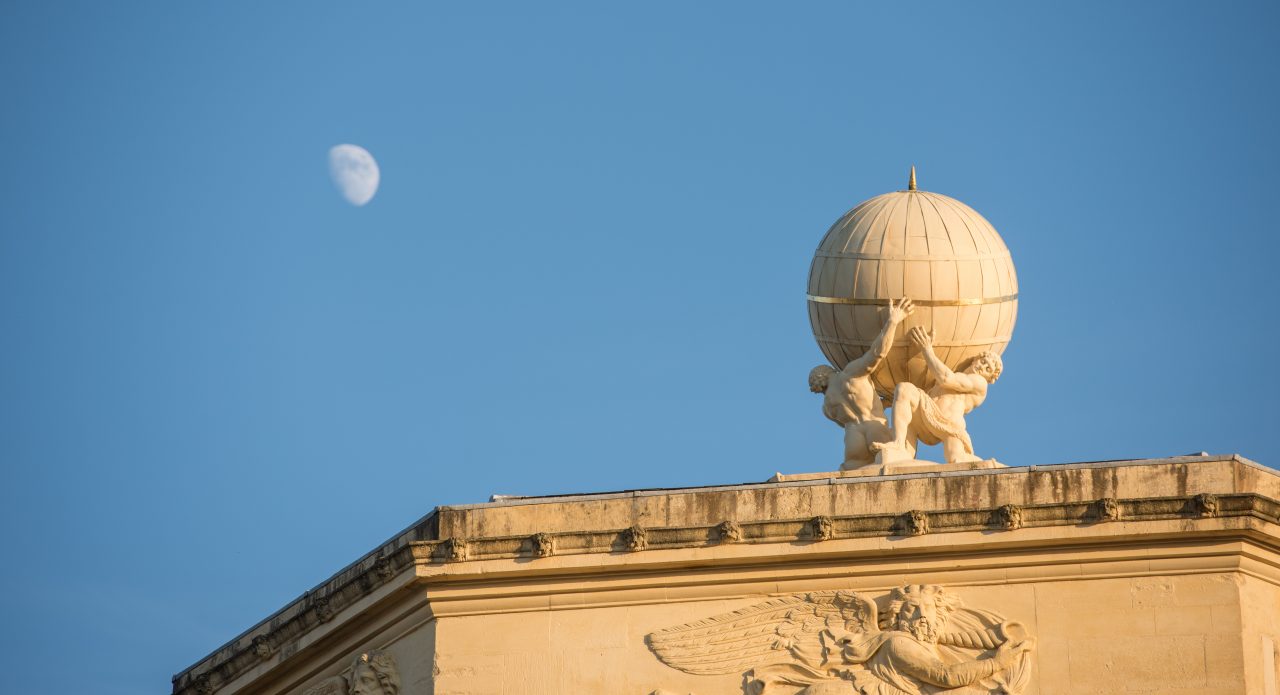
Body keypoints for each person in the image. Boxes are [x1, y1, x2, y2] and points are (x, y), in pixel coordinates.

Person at [809, 299, 915, 470]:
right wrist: (893, 321)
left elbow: (850, 416)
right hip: (875, 430)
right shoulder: (850, 374)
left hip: (853, 441)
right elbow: (877, 353)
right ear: (828, 371)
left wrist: (883, 402)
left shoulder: (827, 408)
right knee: (897, 466)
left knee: (852, 477)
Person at [872, 327, 1002, 464]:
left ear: (990, 378)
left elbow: (946, 378)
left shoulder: (979, 383)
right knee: (904, 389)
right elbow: (930, 380)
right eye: (983, 361)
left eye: (988, 369)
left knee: (956, 459)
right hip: (926, 415)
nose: (982, 367)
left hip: (948, 425)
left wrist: (927, 349)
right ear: (976, 359)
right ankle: (899, 444)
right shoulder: (959, 373)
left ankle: (992, 465)